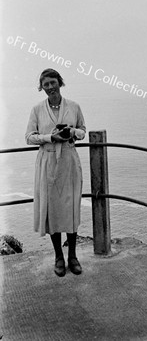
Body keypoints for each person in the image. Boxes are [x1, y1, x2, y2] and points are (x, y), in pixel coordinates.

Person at [25, 68, 86, 277]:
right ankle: (58, 256)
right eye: (46, 84)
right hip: (48, 161)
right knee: (52, 210)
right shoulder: (36, 110)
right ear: (41, 87)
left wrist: (72, 132)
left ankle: (73, 257)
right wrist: (50, 137)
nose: (50, 87)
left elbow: (83, 131)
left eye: (53, 82)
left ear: (60, 82)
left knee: (70, 208)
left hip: (69, 160)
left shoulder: (74, 106)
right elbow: (29, 137)